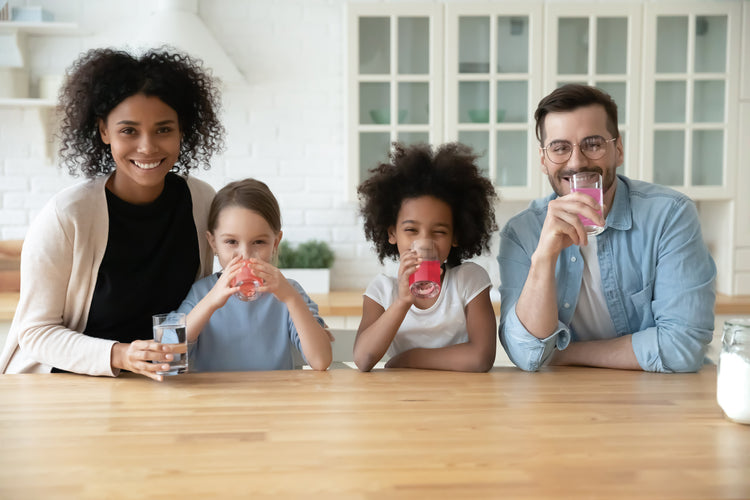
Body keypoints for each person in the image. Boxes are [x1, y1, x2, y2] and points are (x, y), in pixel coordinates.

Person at [0, 47, 225, 380]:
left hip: (163, 385)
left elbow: (205, 300)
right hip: (63, 388)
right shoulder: (68, 215)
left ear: (182, 131)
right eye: (128, 131)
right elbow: (35, 332)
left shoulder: (202, 201)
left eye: (163, 129)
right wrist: (121, 355)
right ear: (104, 131)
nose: (147, 147)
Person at [498, 84, 716, 373]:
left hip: (659, 398)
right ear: (543, 160)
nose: (577, 162)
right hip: (560, 399)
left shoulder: (670, 215)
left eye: (593, 144)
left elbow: (682, 347)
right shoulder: (522, 232)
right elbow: (526, 354)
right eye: (560, 148)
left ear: (618, 150)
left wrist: (565, 354)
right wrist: (543, 257)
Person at [354, 142, 498, 372]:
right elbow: (363, 359)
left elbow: (481, 358)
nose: (425, 242)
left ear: (455, 236)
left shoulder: (469, 280)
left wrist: (407, 359)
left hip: (463, 399)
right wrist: (402, 302)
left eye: (439, 232)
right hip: (402, 401)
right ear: (392, 233)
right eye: (411, 230)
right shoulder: (381, 291)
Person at [174, 178, 332, 371]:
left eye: (258, 242)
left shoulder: (289, 292)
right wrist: (211, 302)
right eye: (231, 242)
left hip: (273, 399)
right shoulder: (202, 292)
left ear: (275, 243)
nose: (245, 255)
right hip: (214, 399)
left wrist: (291, 298)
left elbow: (321, 361)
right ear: (213, 242)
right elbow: (167, 354)